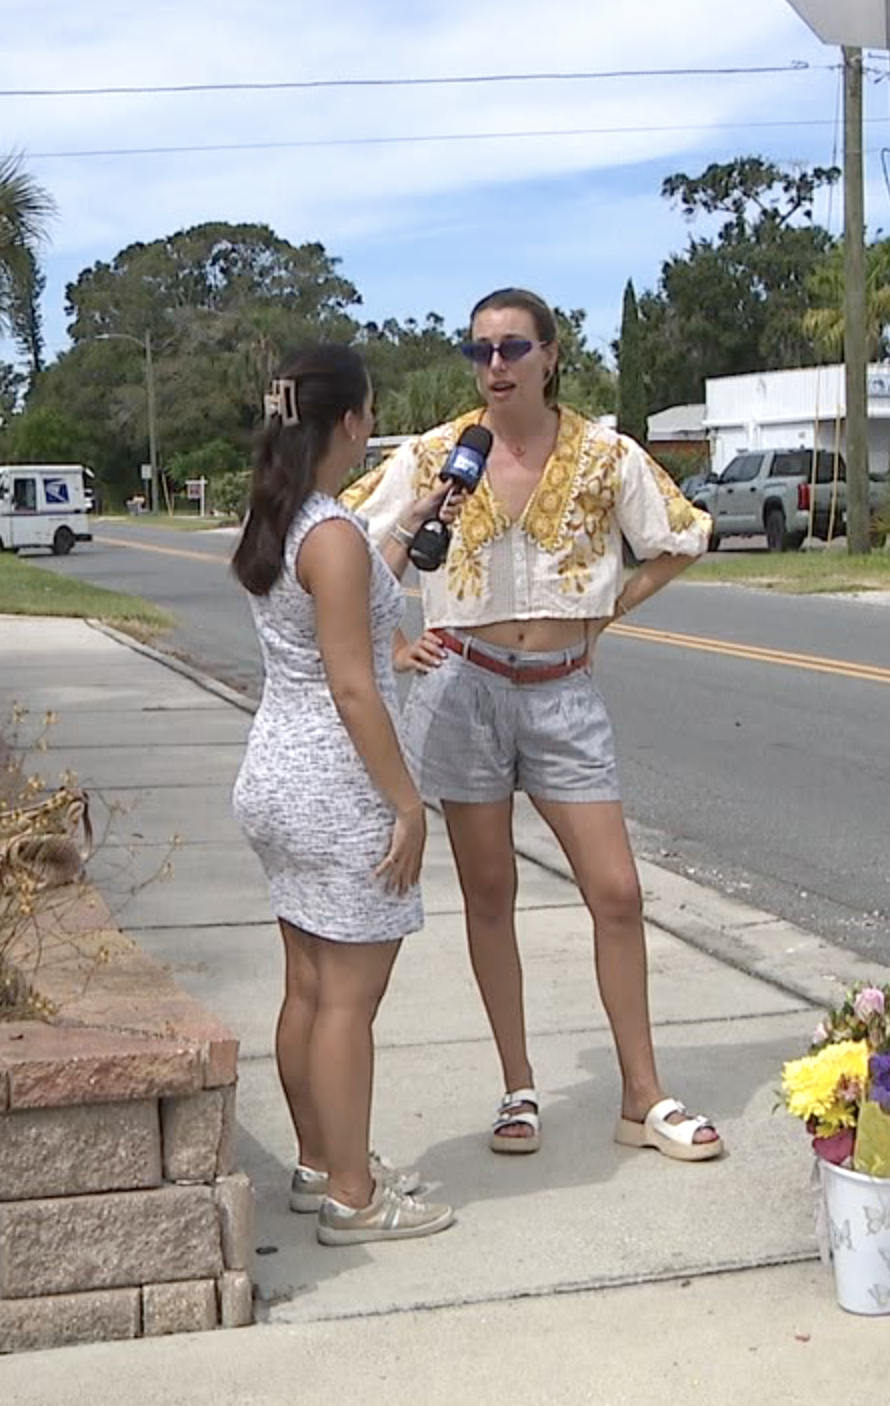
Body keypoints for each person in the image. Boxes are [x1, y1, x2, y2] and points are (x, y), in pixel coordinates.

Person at [341, 287, 724, 1163]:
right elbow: (348, 545)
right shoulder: (438, 455)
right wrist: (394, 642)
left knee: (617, 891)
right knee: (489, 893)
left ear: (552, 354)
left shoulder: (604, 456)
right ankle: (518, 1087)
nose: (496, 366)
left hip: (562, 691)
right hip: (463, 685)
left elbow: (682, 535)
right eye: (480, 351)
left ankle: (642, 1093)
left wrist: (608, 611)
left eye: (514, 348)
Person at [230, 342, 460, 1245]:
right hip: (336, 781)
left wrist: (410, 529)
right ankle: (356, 1198)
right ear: (352, 420)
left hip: (275, 773)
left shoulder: (286, 518)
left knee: (308, 987)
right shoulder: (329, 533)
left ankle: (322, 1161)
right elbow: (356, 684)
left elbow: (352, 593)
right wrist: (407, 804)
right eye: (369, 410)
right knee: (349, 1003)